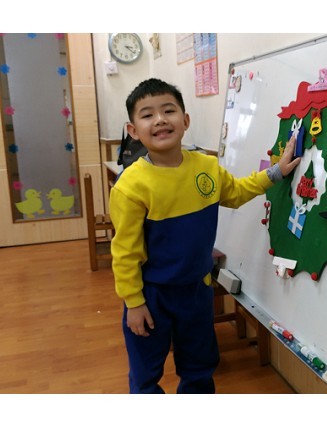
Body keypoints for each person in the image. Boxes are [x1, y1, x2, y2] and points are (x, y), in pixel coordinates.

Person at [109, 78, 300, 393]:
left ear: (185, 121)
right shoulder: (131, 186)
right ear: (133, 130)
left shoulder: (206, 167)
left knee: (199, 368)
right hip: (152, 296)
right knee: (145, 375)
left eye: (168, 110)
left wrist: (276, 172)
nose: (160, 120)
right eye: (147, 114)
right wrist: (134, 302)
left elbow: (236, 192)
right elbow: (125, 253)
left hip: (197, 290)